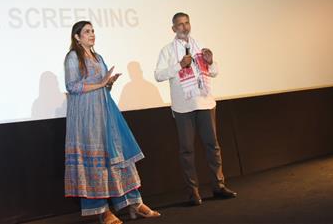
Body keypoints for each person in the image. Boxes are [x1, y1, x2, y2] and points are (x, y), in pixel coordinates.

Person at [64, 21, 160, 224]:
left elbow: (101, 88)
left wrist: (108, 83)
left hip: (104, 111)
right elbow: (72, 86)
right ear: (77, 37)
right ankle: (102, 210)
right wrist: (100, 83)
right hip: (86, 116)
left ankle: (135, 203)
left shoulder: (98, 57)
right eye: (87, 32)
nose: (92, 34)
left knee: (118, 157)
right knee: (95, 162)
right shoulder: (73, 57)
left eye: (93, 31)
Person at [154, 12, 237, 206]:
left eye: (187, 23)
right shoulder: (167, 50)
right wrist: (179, 66)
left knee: (212, 146)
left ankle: (218, 186)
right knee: (187, 150)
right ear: (173, 29)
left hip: (206, 103)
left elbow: (214, 72)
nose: (184, 27)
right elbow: (158, 75)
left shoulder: (200, 46)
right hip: (184, 107)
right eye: (180, 25)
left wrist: (210, 62)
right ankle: (193, 192)